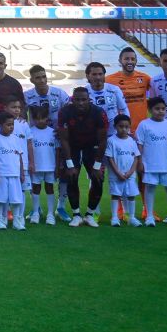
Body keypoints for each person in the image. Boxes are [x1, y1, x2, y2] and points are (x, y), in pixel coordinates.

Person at [56, 87, 109, 228]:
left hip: (92, 148)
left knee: (98, 179)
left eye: (83, 100)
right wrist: (69, 164)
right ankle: (76, 214)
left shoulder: (99, 113)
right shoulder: (65, 112)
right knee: (71, 177)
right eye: (77, 100)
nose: (80, 103)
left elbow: (103, 141)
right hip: (72, 147)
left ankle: (90, 215)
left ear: (89, 100)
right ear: (72, 99)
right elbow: (64, 139)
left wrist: (97, 166)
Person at [24, 65, 72, 221]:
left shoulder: (59, 94)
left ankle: (61, 207)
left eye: (44, 76)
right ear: (32, 80)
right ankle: (35, 210)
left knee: (62, 175)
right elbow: (18, 113)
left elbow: (70, 112)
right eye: (38, 77)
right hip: (35, 141)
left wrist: (65, 130)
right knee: (35, 182)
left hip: (57, 139)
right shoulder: (27, 96)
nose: (42, 80)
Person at [136, 97, 167, 227]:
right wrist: (140, 162)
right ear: (150, 110)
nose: (161, 111)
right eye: (157, 109)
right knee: (150, 189)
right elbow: (139, 144)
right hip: (150, 164)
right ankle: (149, 216)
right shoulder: (144, 124)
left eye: (163, 109)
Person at [0, 113, 27, 230]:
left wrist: (22, 172)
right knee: (1, 198)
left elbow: (20, 157)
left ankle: (17, 220)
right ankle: (1, 220)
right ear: (0, 125)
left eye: (12, 125)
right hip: (2, 174)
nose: (11, 127)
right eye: (8, 125)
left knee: (16, 198)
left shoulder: (16, 139)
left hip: (14, 174)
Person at [105, 114, 142, 228]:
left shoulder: (131, 140)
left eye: (127, 127)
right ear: (115, 126)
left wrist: (131, 172)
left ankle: (131, 217)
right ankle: (115, 217)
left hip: (129, 175)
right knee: (116, 195)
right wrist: (118, 173)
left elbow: (136, 157)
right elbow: (110, 158)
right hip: (116, 175)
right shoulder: (111, 140)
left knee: (131, 195)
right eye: (121, 126)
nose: (124, 129)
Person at [107, 47, 152, 131]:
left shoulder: (145, 78)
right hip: (121, 130)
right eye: (126, 59)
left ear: (136, 61)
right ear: (120, 61)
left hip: (141, 129)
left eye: (132, 59)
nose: (130, 62)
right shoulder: (109, 80)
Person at [27, 108, 59, 225]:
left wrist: (57, 166)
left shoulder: (53, 132)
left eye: (43, 118)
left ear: (47, 118)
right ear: (34, 119)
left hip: (50, 166)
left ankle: (50, 214)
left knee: (49, 188)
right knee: (36, 189)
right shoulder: (30, 131)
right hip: (36, 166)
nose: (40, 121)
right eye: (38, 118)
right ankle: (35, 212)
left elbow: (57, 150)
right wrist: (31, 164)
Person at [84, 62, 129, 136]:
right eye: (94, 74)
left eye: (100, 74)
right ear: (87, 76)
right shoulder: (84, 92)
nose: (98, 77)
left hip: (113, 135)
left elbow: (124, 110)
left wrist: (126, 130)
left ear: (104, 75)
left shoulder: (114, 90)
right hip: (92, 135)